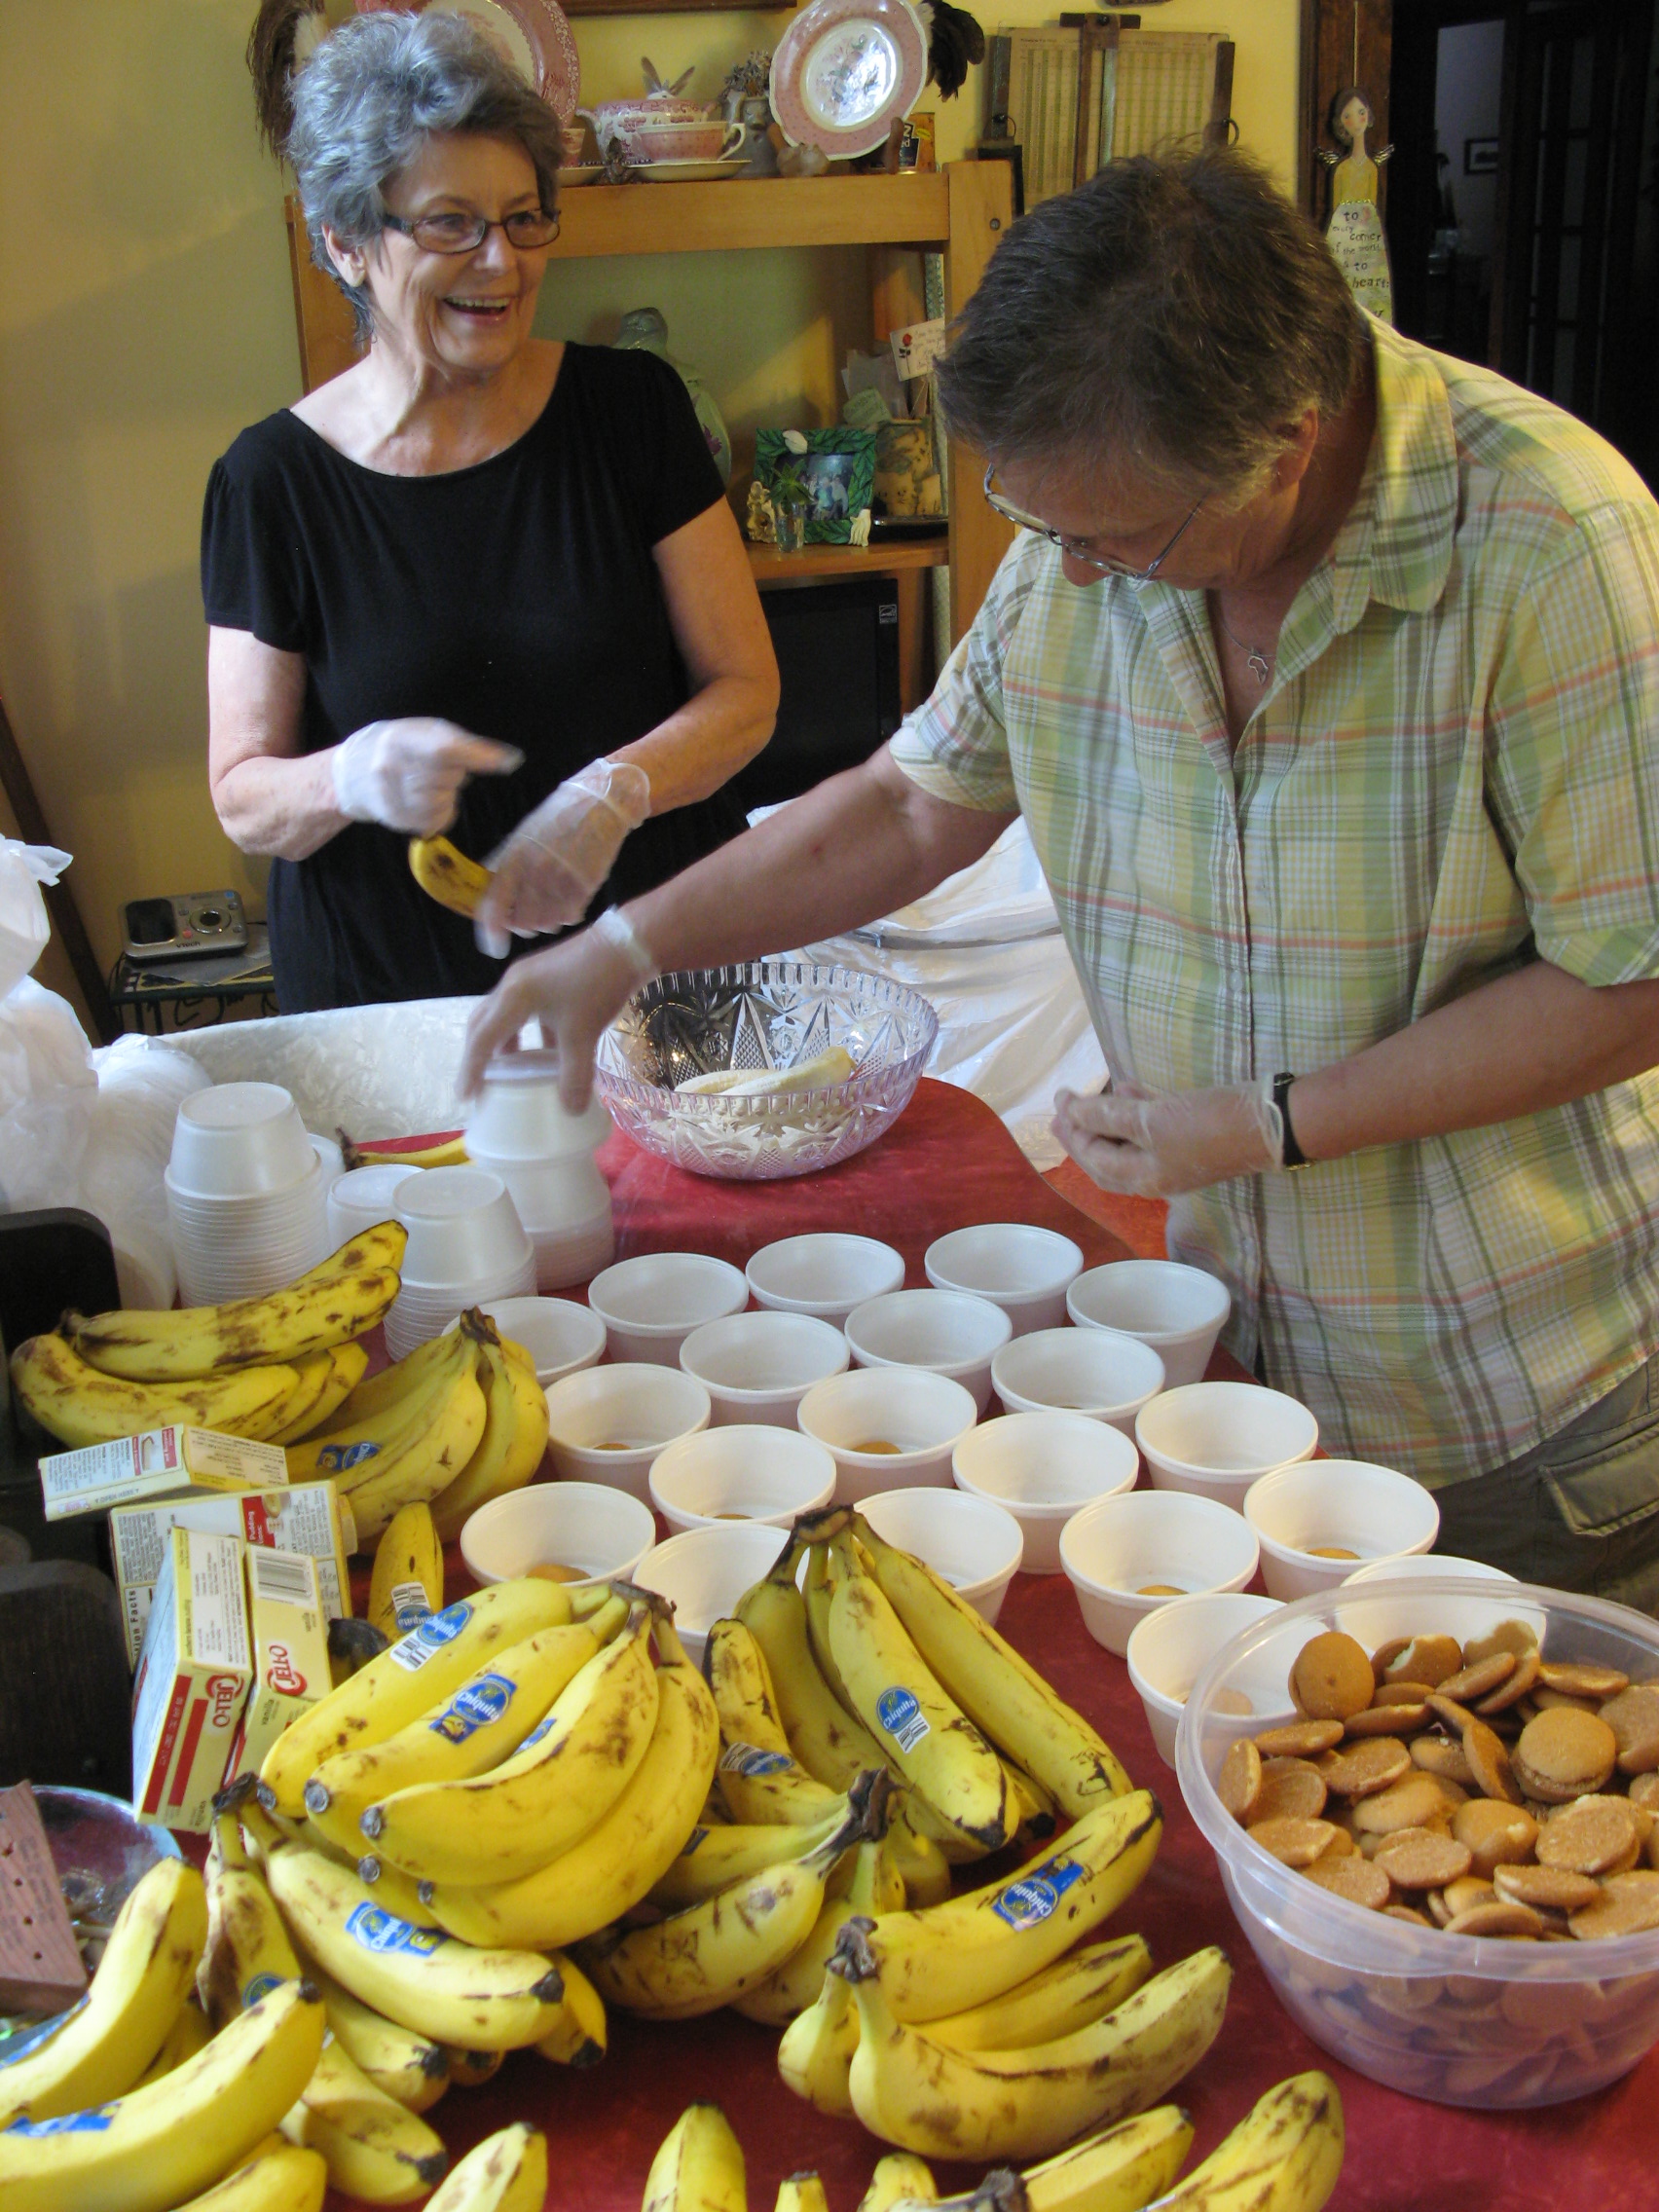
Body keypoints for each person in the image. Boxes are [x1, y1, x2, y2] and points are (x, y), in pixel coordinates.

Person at [459, 147, 1659, 1608]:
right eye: (1044, 529)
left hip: (1516, 1409)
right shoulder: (1095, 523)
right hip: (1234, 1369)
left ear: (1284, 444)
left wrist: (1272, 1124)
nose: (1074, 575)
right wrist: (619, 948)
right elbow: (909, 808)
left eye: (1110, 538)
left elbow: (1630, 981)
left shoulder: (1551, 541)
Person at [203, 11, 778, 1010]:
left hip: (650, 977)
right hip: (389, 1006)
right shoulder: (272, 482)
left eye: (522, 218)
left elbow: (747, 692)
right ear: (344, 244)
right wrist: (349, 775)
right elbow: (244, 795)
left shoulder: (632, 411)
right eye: (449, 223)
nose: (501, 262)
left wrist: (616, 790)